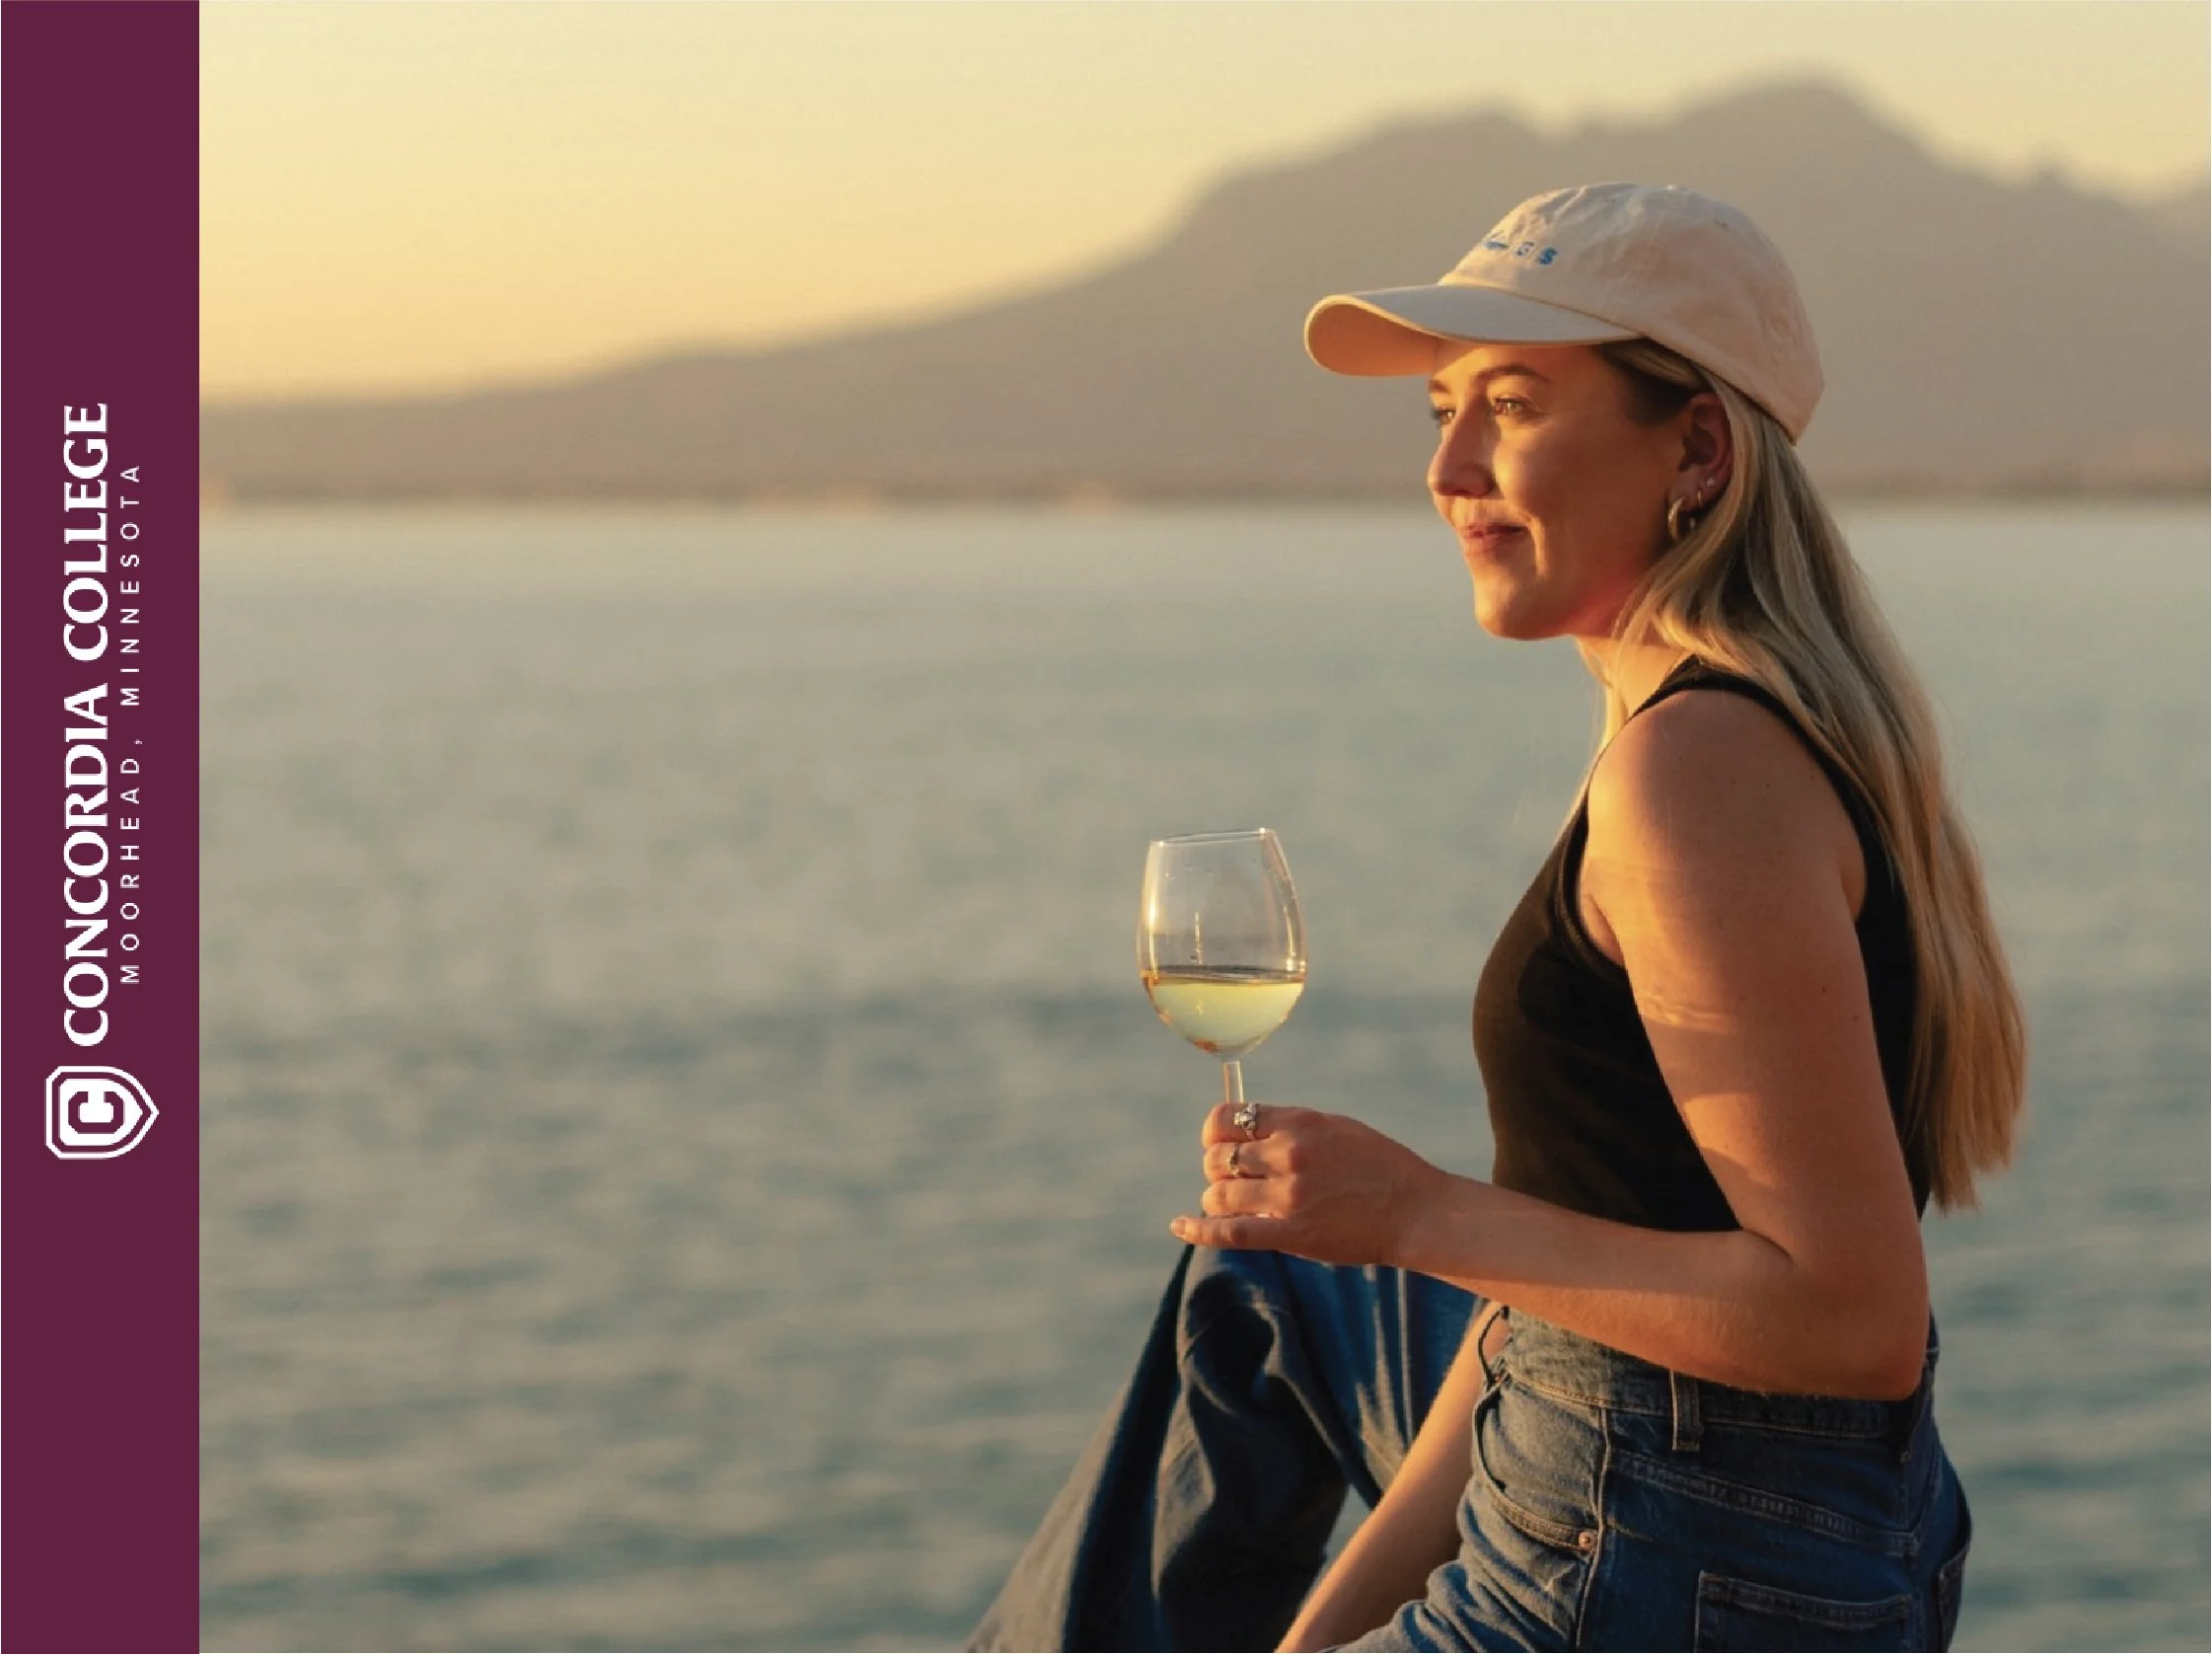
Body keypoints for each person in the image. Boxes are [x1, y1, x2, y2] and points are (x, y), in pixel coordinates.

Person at [970, 183, 2025, 1652]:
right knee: (1259, 1270)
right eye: (1439, 415)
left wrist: (1413, 1212)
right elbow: (1556, 1302)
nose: (1449, 467)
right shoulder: (1723, 731)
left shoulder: (1694, 773)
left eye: (1513, 407)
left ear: (1697, 448)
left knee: (1311, 1255)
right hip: (1712, 1495)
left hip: (1676, 1556)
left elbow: (1847, 1325)